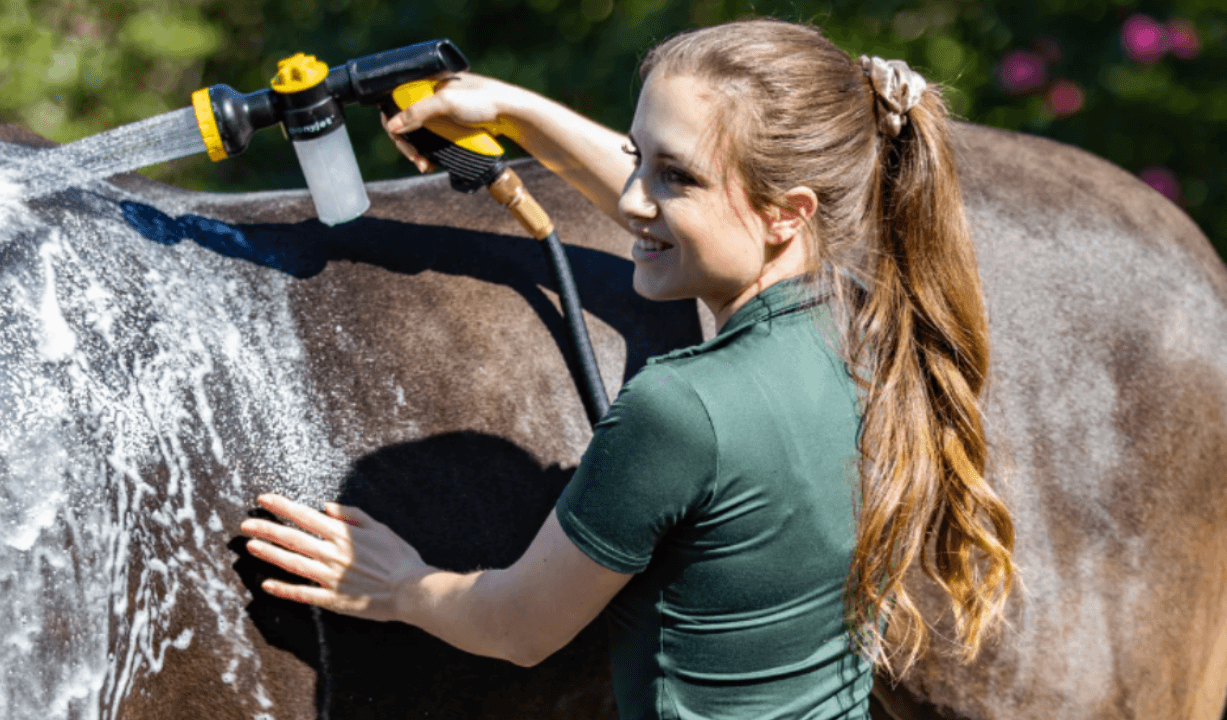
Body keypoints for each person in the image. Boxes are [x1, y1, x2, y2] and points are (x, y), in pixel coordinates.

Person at [239, 18, 1018, 719]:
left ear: (791, 211)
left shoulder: (683, 408)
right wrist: (518, 113)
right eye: (637, 157)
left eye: (673, 175)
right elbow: (691, 213)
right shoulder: (875, 325)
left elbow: (517, 627)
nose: (637, 198)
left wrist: (400, 585)